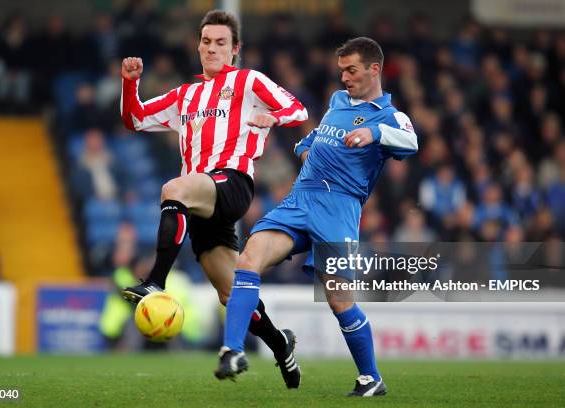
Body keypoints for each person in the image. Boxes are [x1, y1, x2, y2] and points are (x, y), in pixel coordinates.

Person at [214, 37, 418, 397]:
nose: (345, 78)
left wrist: (373, 132)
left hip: (338, 209)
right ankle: (232, 350)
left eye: (352, 70)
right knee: (248, 259)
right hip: (300, 199)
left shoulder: (389, 116)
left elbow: (411, 142)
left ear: (375, 69)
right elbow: (324, 135)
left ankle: (371, 378)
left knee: (339, 299)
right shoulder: (337, 101)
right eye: (342, 71)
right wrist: (308, 145)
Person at [119, 10, 308, 388]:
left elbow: (297, 108)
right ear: (198, 45)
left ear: (235, 49)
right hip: (203, 204)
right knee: (231, 295)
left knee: (173, 188)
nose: (212, 48)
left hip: (232, 183)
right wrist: (129, 84)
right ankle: (280, 344)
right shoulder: (184, 95)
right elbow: (135, 119)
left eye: (221, 42)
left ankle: (156, 282)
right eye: (206, 41)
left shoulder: (247, 81)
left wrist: (274, 119)